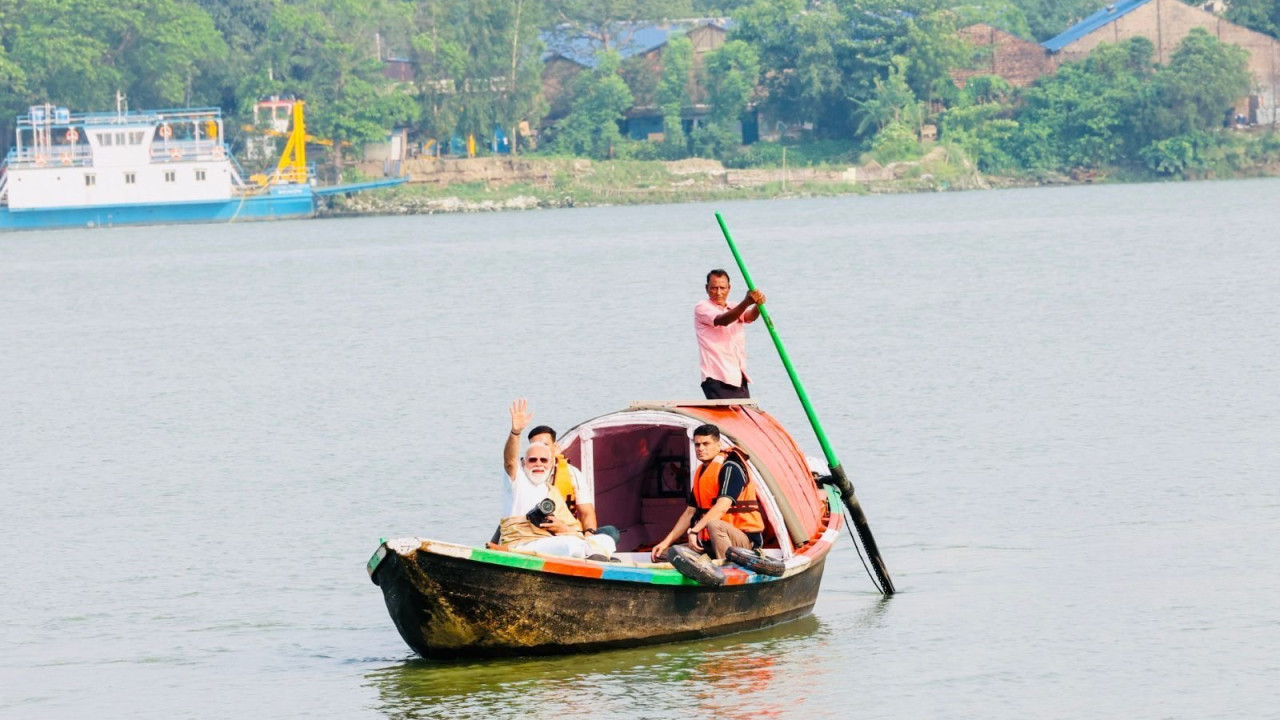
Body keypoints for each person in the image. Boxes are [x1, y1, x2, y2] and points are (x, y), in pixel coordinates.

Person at [501, 399, 617, 559]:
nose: (538, 464)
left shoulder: (552, 489)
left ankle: (597, 559)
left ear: (552, 461)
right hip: (523, 543)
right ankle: (596, 557)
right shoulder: (517, 480)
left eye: (543, 460)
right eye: (533, 460)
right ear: (524, 462)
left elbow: (580, 520)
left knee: (606, 538)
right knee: (570, 545)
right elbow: (509, 461)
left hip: (552, 540)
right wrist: (515, 432)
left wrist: (563, 528)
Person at [650, 423, 765, 563]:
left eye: (706, 444)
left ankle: (727, 571)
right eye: (697, 445)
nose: (701, 448)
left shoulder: (731, 467)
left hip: (745, 543)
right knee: (665, 554)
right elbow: (689, 513)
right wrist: (665, 542)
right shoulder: (701, 473)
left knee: (714, 524)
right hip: (709, 542)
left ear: (718, 445)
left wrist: (694, 531)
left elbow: (722, 507)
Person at [525, 423, 620, 544]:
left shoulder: (572, 473)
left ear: (555, 447)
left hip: (569, 532)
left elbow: (586, 512)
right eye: (535, 446)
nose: (540, 450)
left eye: (545, 445)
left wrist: (588, 536)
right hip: (536, 533)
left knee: (611, 532)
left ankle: (590, 553)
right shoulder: (524, 475)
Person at [694, 269, 765, 399]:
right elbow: (723, 320)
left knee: (745, 417)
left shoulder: (733, 306)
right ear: (706, 288)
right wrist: (746, 302)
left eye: (722, 288)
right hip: (717, 378)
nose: (719, 292)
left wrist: (758, 305)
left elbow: (749, 317)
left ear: (729, 288)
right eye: (714, 288)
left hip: (738, 378)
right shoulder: (702, 307)